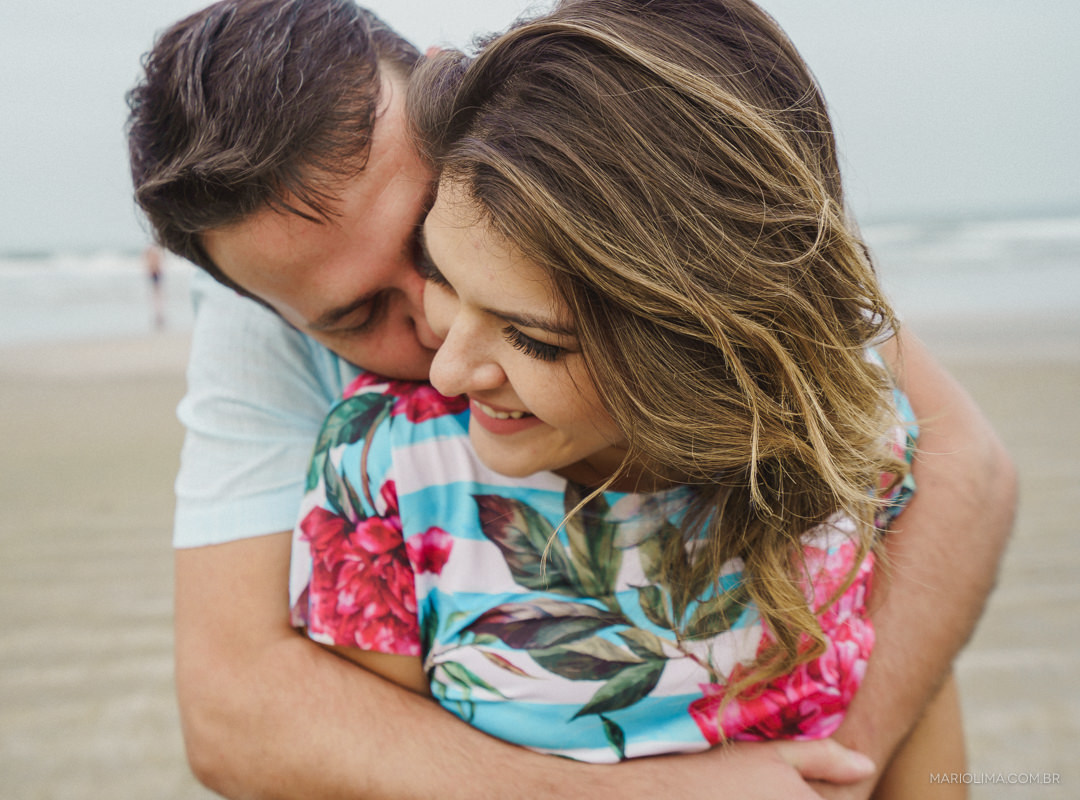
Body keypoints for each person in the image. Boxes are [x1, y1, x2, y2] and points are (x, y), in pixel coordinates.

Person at [125, 0, 1015, 797]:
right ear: (279, 320)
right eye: (360, 316)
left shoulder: (640, 163)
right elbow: (238, 707)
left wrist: (830, 764)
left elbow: (957, 468)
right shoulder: (373, 452)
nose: (439, 333)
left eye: (432, 233)